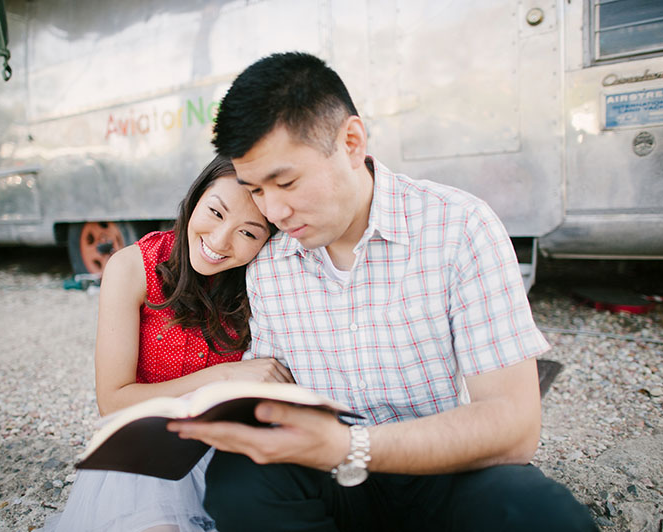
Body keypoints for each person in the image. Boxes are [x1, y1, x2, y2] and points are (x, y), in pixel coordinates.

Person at [168, 52, 598, 531]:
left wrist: (351, 445)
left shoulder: (458, 227)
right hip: (328, 473)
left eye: (285, 182)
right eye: (258, 191)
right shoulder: (269, 262)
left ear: (351, 142)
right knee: (238, 485)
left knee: (543, 516)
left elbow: (515, 425)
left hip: (446, 466)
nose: (275, 212)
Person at [42, 155, 292, 532]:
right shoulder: (131, 267)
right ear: (194, 199)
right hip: (146, 442)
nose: (220, 241)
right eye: (215, 212)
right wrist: (223, 376)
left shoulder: (260, 277)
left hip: (224, 442)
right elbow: (113, 400)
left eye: (249, 233)